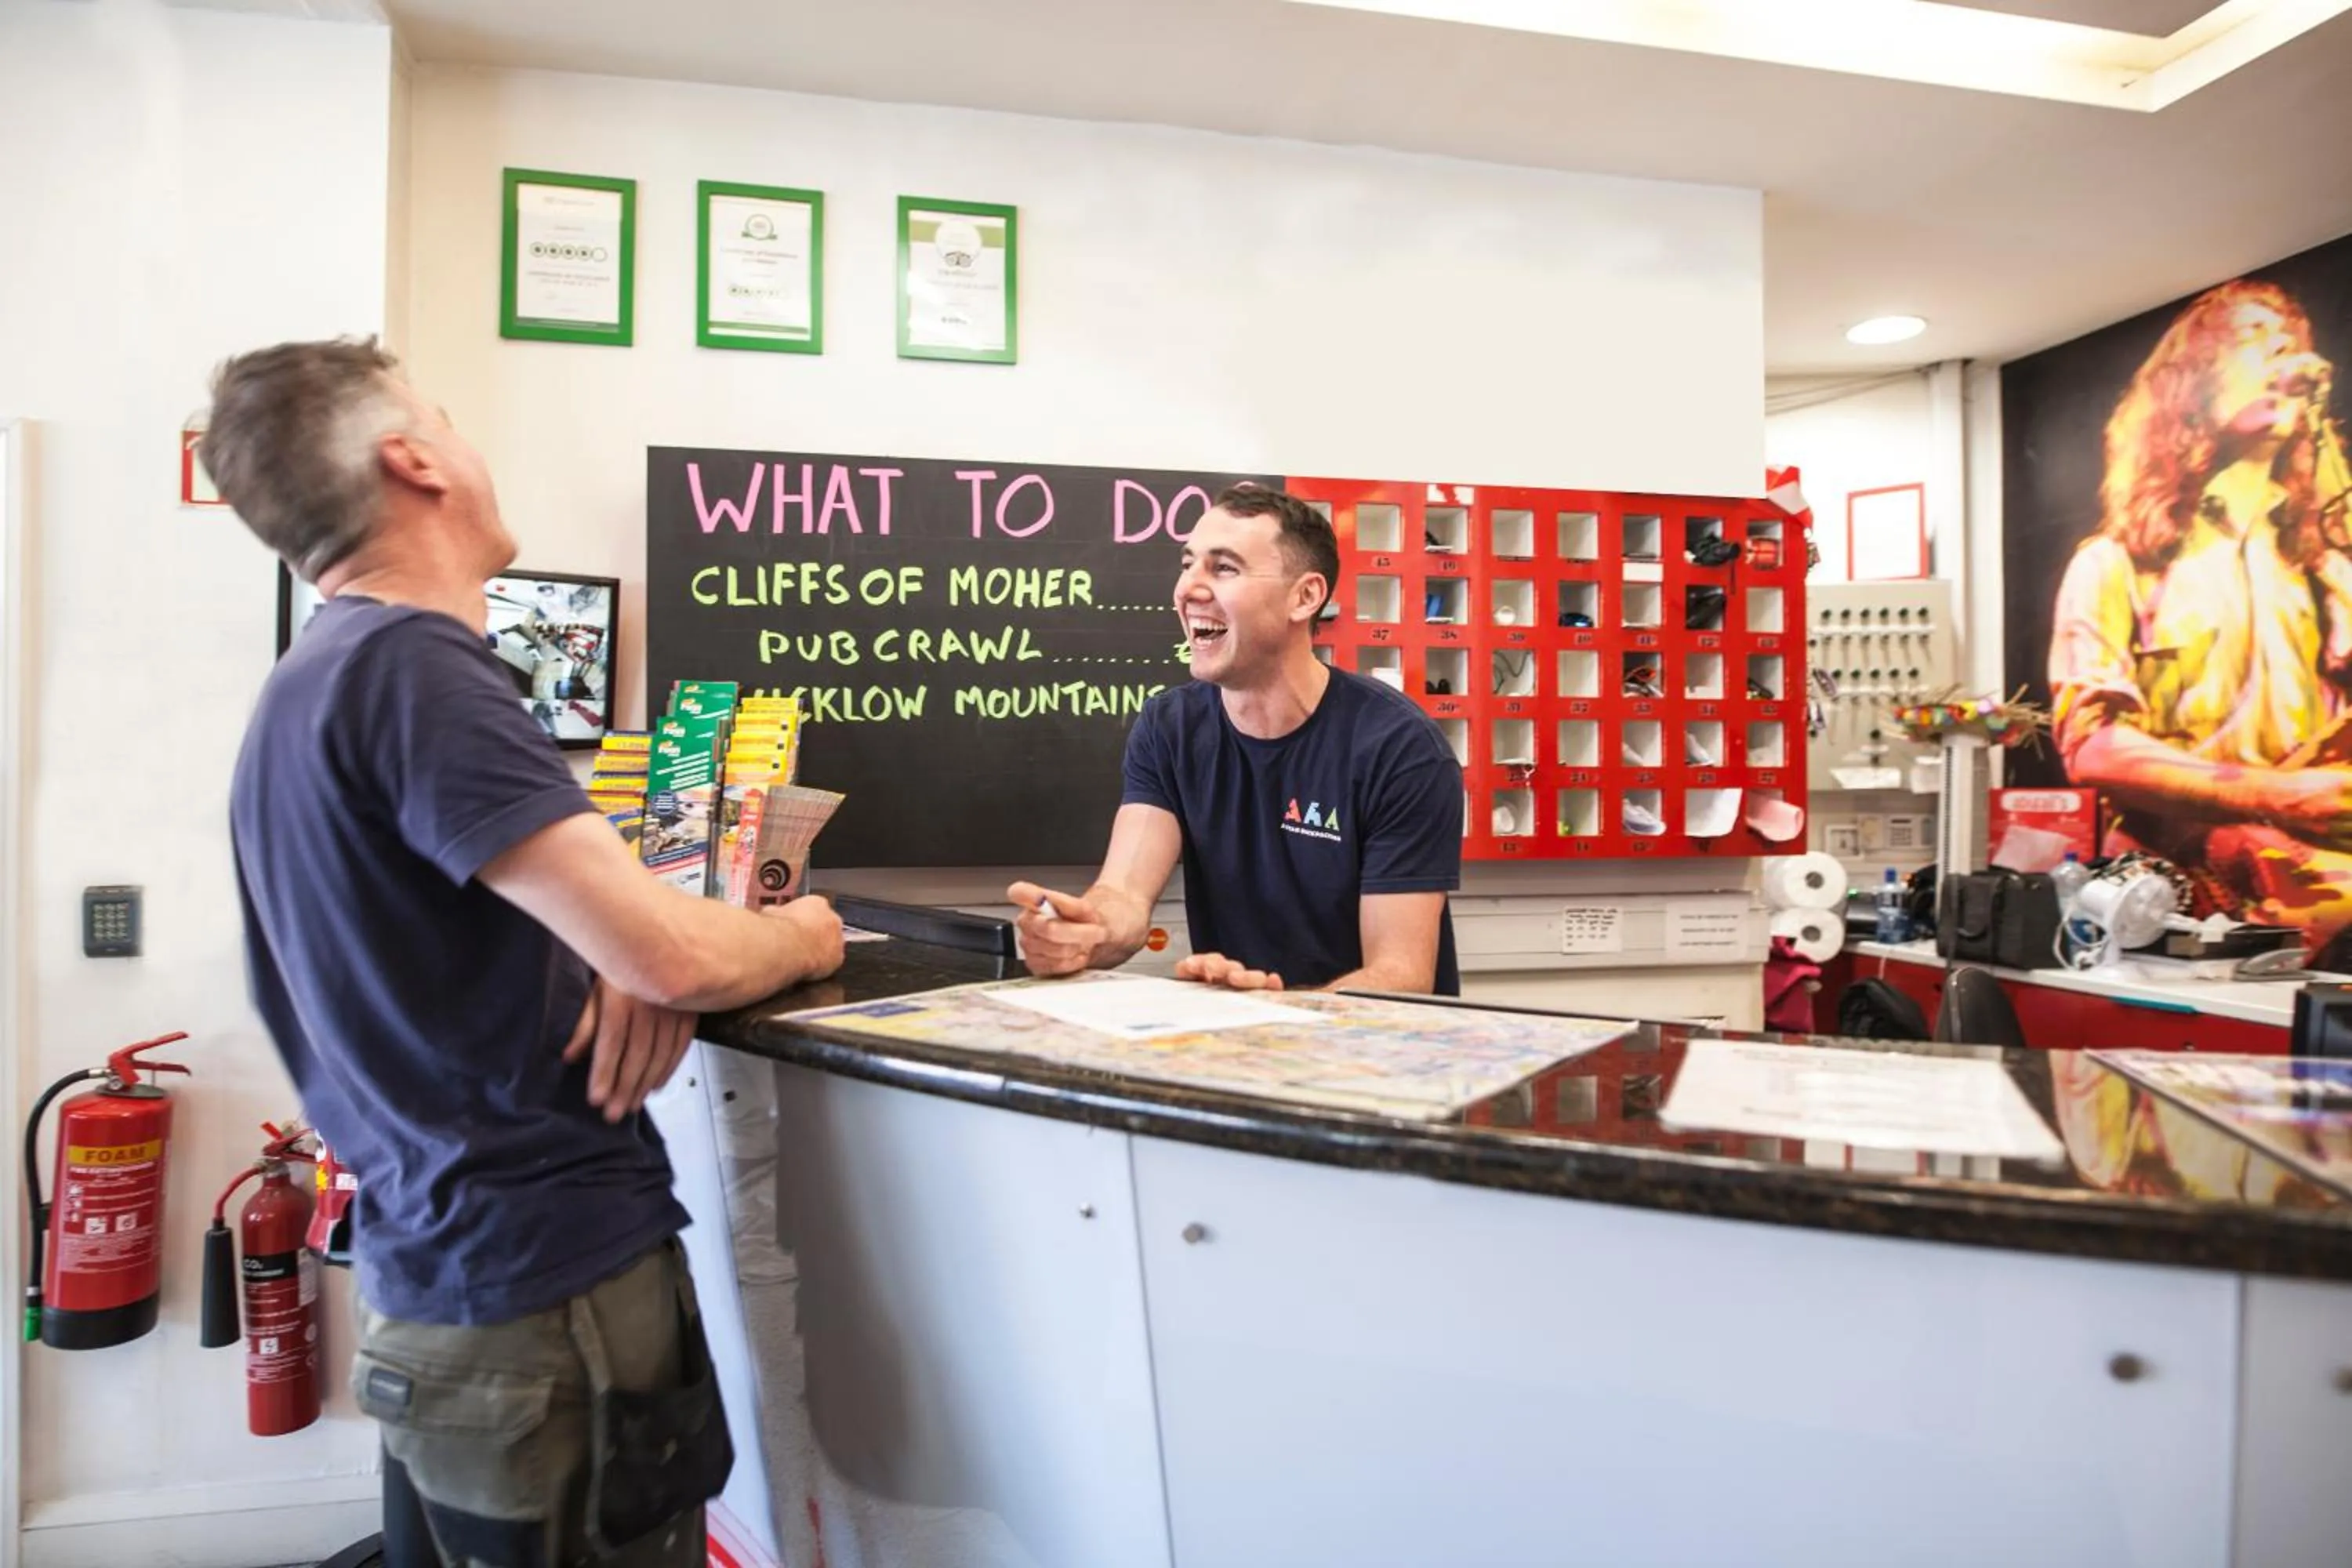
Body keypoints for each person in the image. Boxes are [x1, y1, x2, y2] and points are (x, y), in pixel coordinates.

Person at [203, 337, 846, 1566]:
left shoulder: (313, 681)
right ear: (415, 459)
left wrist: (605, 949)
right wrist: (796, 935)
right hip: (545, 1307)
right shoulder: (414, 665)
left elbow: (483, 941)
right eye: (447, 418)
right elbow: (671, 954)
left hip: (454, 1286)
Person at [1010, 483, 1465, 993]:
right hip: (1242, 1030)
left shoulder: (1400, 749)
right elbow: (1125, 897)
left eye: (1223, 568)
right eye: (1188, 565)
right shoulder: (1169, 727)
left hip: (1366, 1041)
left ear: (1305, 597)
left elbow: (1401, 976)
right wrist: (1087, 933)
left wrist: (1279, 1014)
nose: (1188, 589)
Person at [2049, 279, 2352, 941]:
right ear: (2193, 384)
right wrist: (2275, 795)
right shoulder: (2114, 564)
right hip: (2176, 898)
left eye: (2290, 345)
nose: (2286, 359)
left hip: (2314, 896)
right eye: (2256, 342)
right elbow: (2092, 746)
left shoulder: (2328, 564)